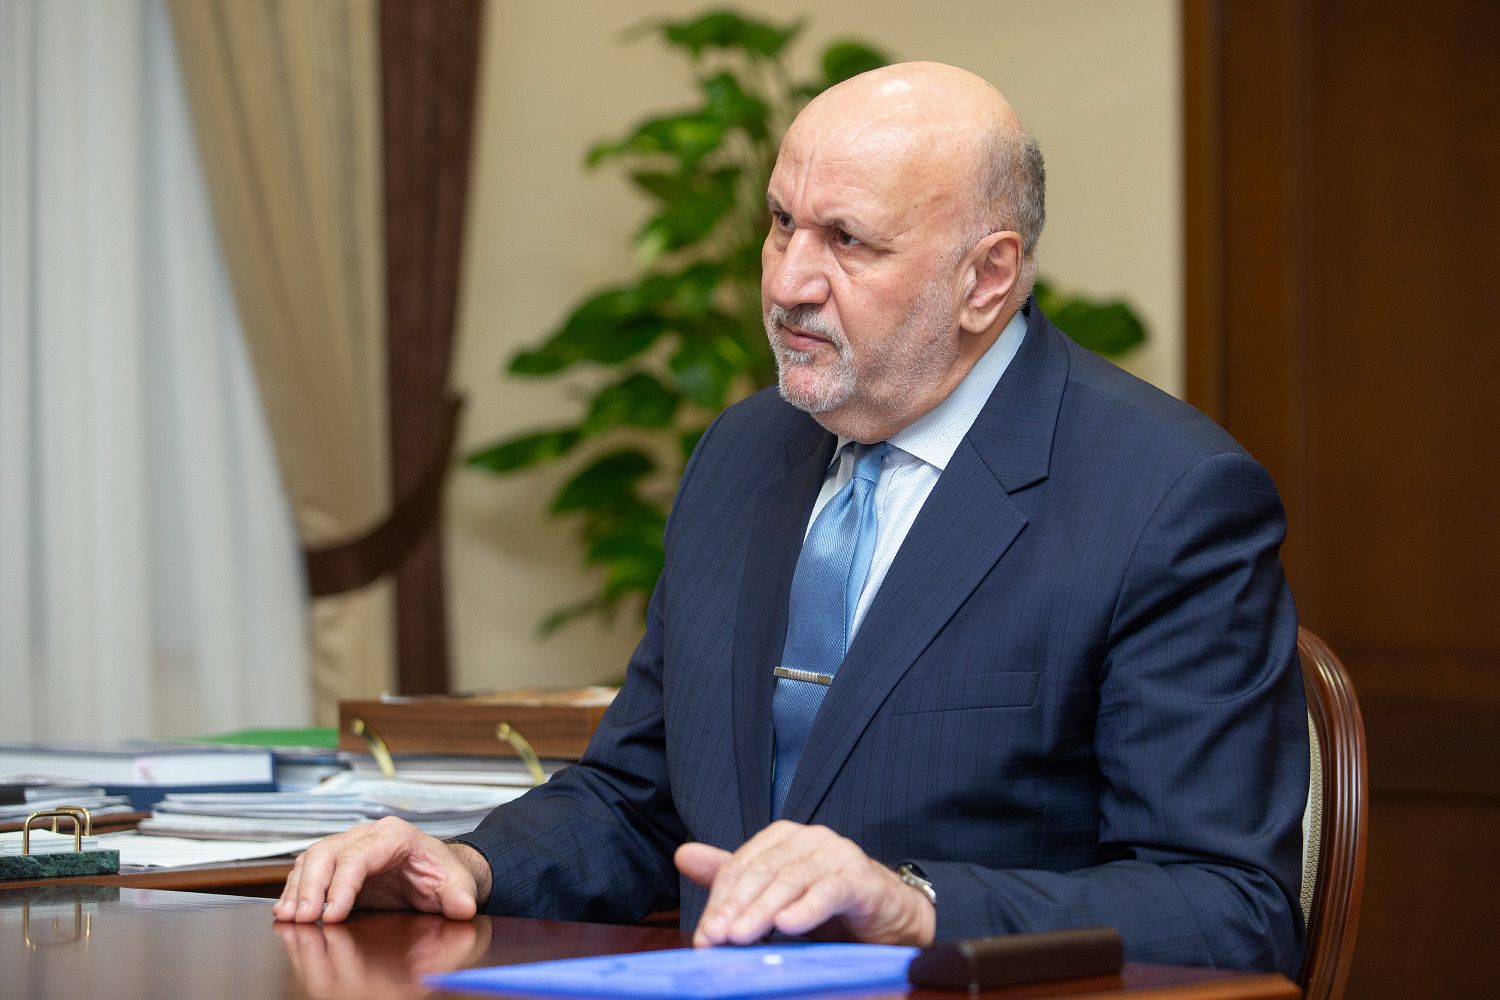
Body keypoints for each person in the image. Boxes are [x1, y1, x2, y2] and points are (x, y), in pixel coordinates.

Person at [276, 62, 1308, 979]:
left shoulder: (1165, 497)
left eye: (847, 240)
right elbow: (641, 798)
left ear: (986, 278)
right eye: (781, 224)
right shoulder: (743, 453)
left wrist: (916, 908)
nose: (786, 283)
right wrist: (467, 863)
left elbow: (1227, 907)